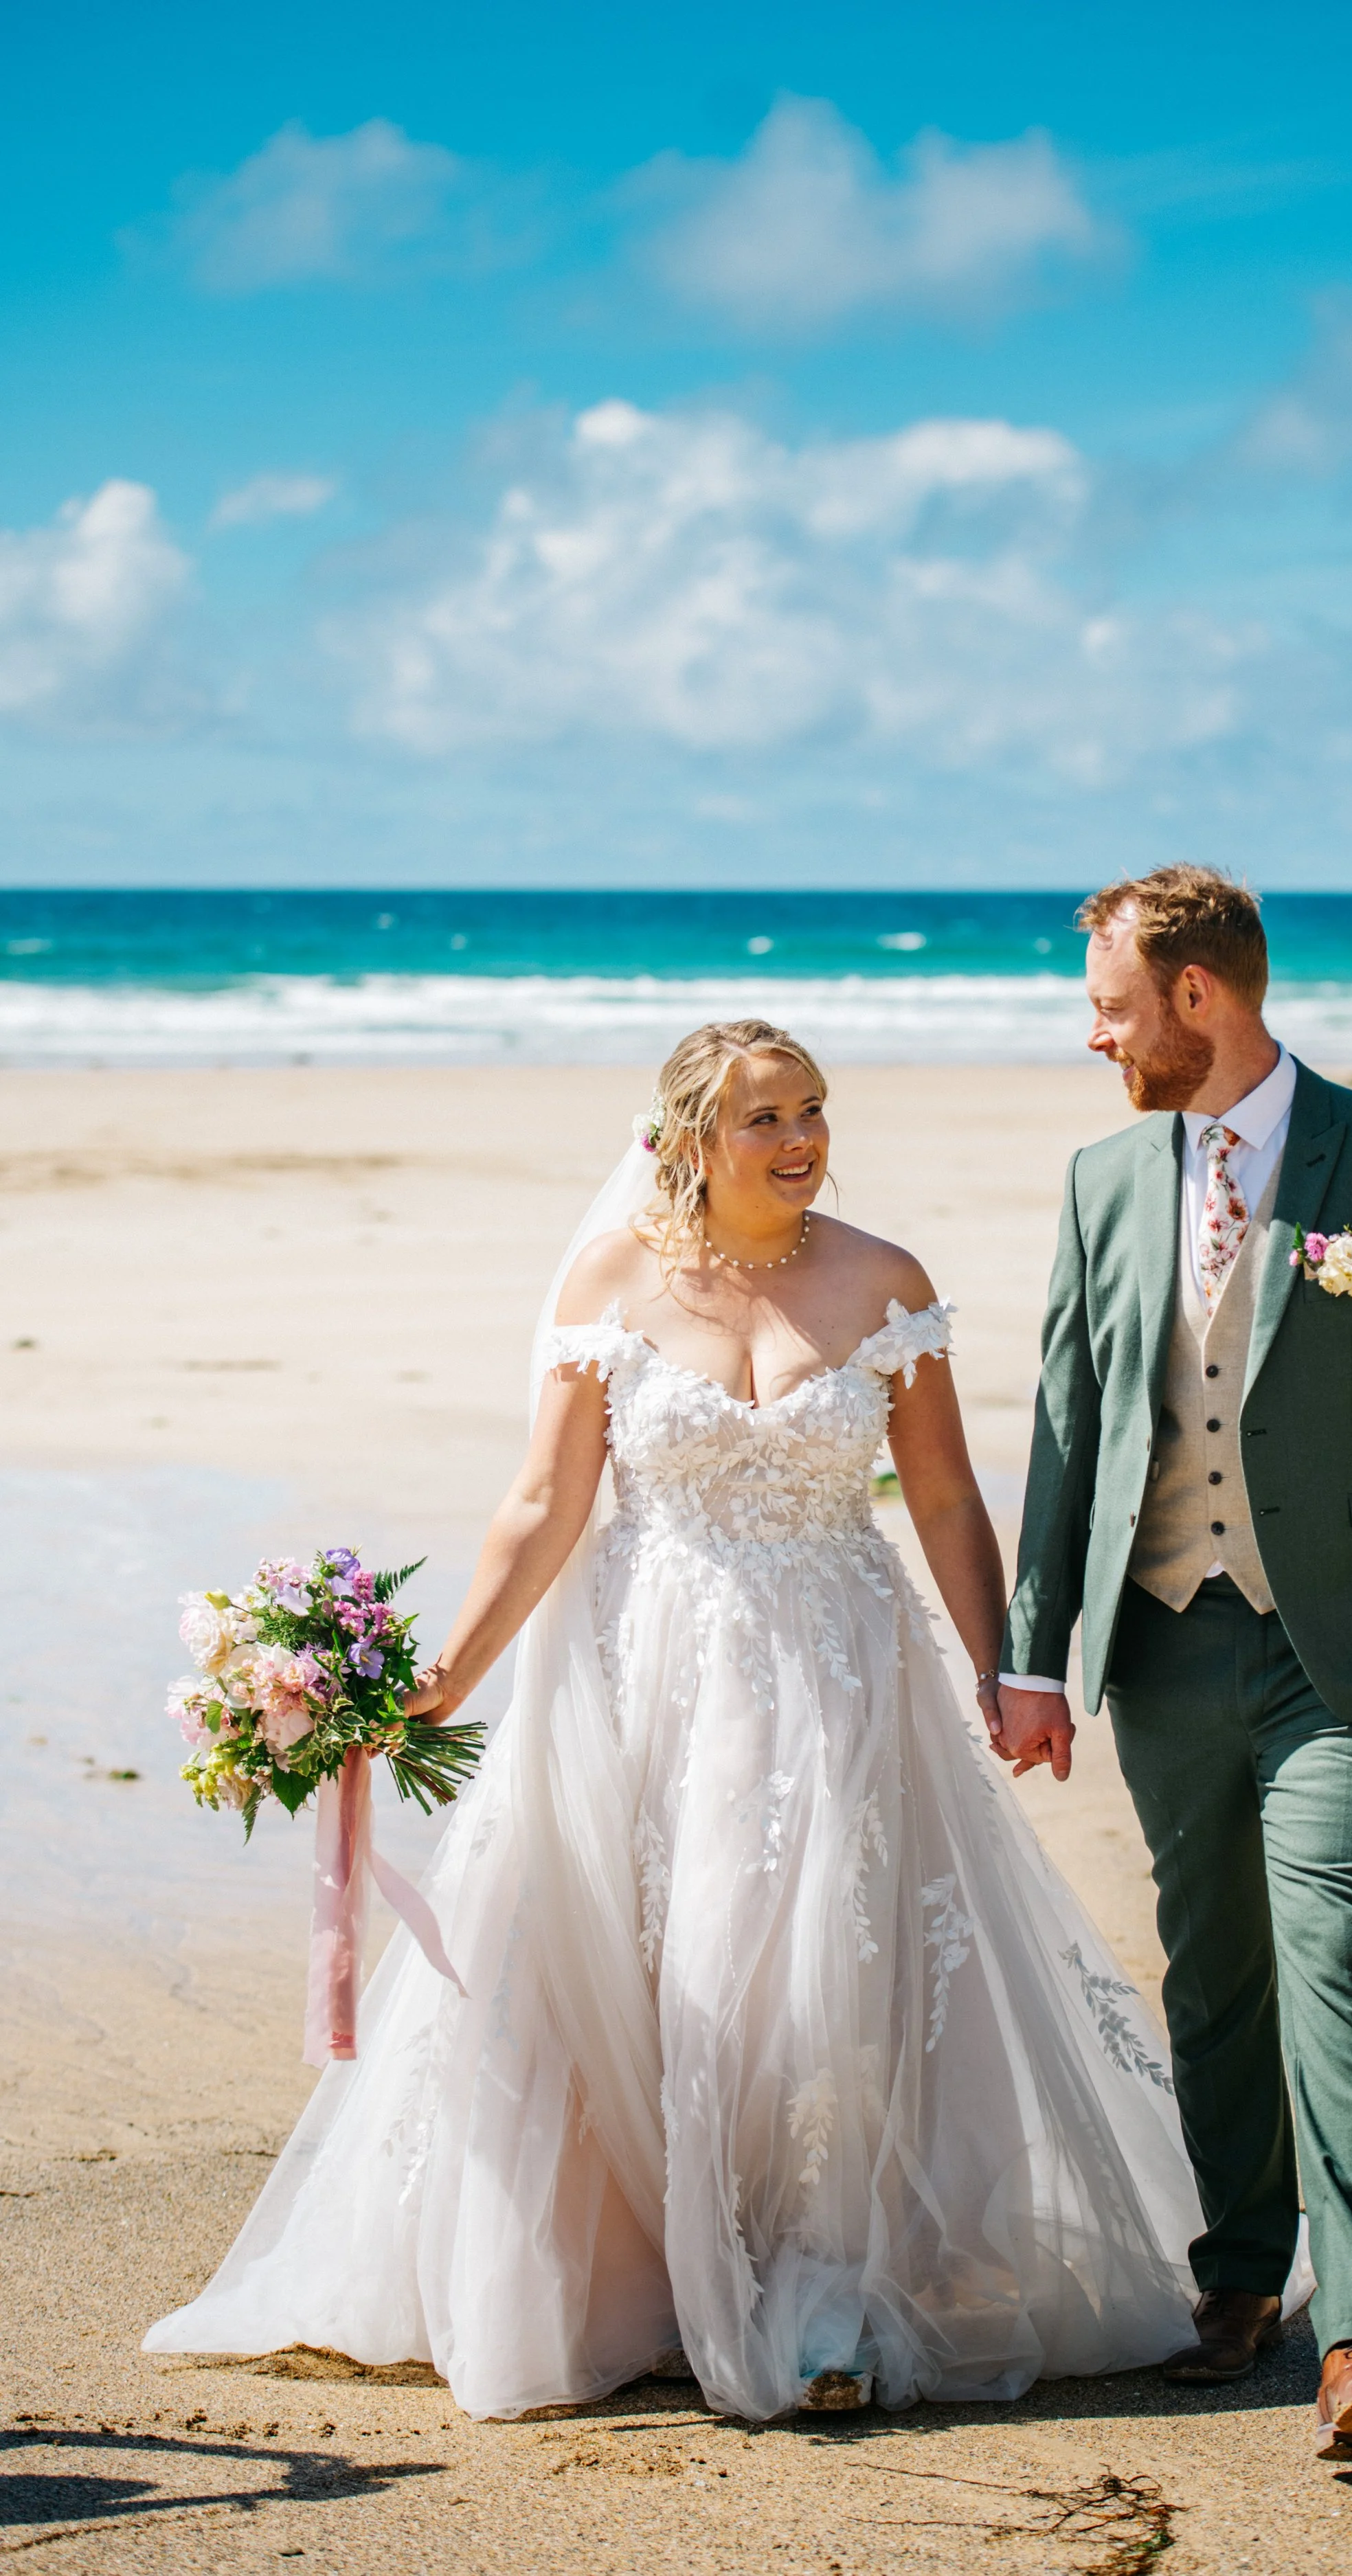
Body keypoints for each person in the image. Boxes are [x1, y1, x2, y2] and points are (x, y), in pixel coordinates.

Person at [145, 1017, 1218, 2424]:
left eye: (814, 1110)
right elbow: (545, 1503)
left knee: (828, 1976)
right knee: (663, 1979)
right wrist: (450, 1680)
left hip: (840, 1669)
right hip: (646, 1669)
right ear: (690, 1142)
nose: (801, 1141)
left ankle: (821, 2291)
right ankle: (651, 2277)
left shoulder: (883, 1279)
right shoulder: (610, 1281)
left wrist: (1003, 1668)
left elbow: (946, 1498)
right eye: (765, 1119)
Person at [993, 867, 1352, 2463]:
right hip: (1165, 1643)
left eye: (1107, 1004)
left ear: (1196, 998)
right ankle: (1238, 2275)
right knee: (1214, 1971)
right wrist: (1037, 1656)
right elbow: (1063, 1430)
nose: (1088, 1034)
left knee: (1336, 1958)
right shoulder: (1103, 1179)